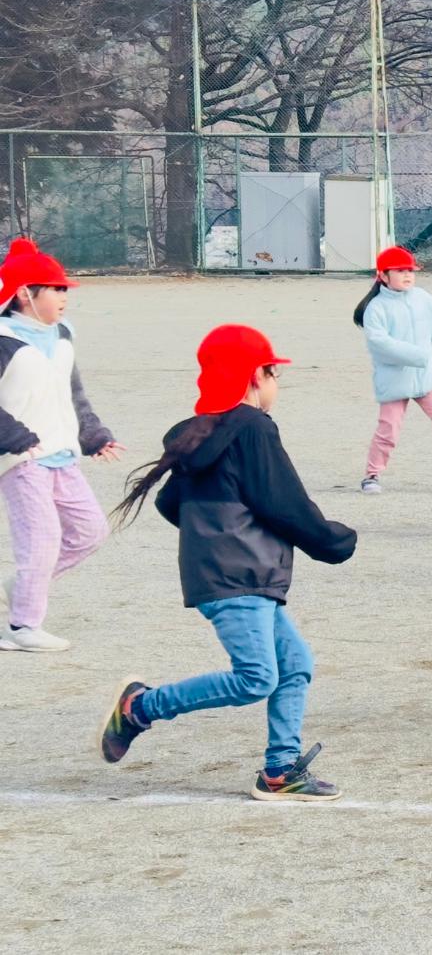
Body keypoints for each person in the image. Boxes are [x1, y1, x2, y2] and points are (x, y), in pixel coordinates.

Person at [98, 325, 357, 800]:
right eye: (273, 372)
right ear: (256, 376)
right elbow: (283, 503)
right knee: (256, 677)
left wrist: (215, 537)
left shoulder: (201, 433)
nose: (275, 383)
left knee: (294, 663)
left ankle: (279, 771)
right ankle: (140, 707)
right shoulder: (253, 428)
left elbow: (169, 504)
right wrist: (335, 541)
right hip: (238, 574)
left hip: (236, 571)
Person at [0, 241, 120, 653]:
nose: (64, 296)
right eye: (55, 289)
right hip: (20, 459)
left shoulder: (63, 334)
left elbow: (72, 391)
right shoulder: (3, 338)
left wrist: (94, 435)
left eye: (65, 289)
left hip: (62, 453)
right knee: (42, 538)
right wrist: (12, 435)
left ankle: (22, 587)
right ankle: (21, 627)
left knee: (90, 531)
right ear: (24, 294)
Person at [354, 246, 432, 495]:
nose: (408, 275)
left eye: (410, 270)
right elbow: (380, 345)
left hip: (427, 376)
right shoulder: (376, 308)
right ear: (383, 275)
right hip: (395, 378)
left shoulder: (422, 297)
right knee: (388, 429)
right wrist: (418, 355)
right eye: (400, 271)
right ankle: (372, 474)